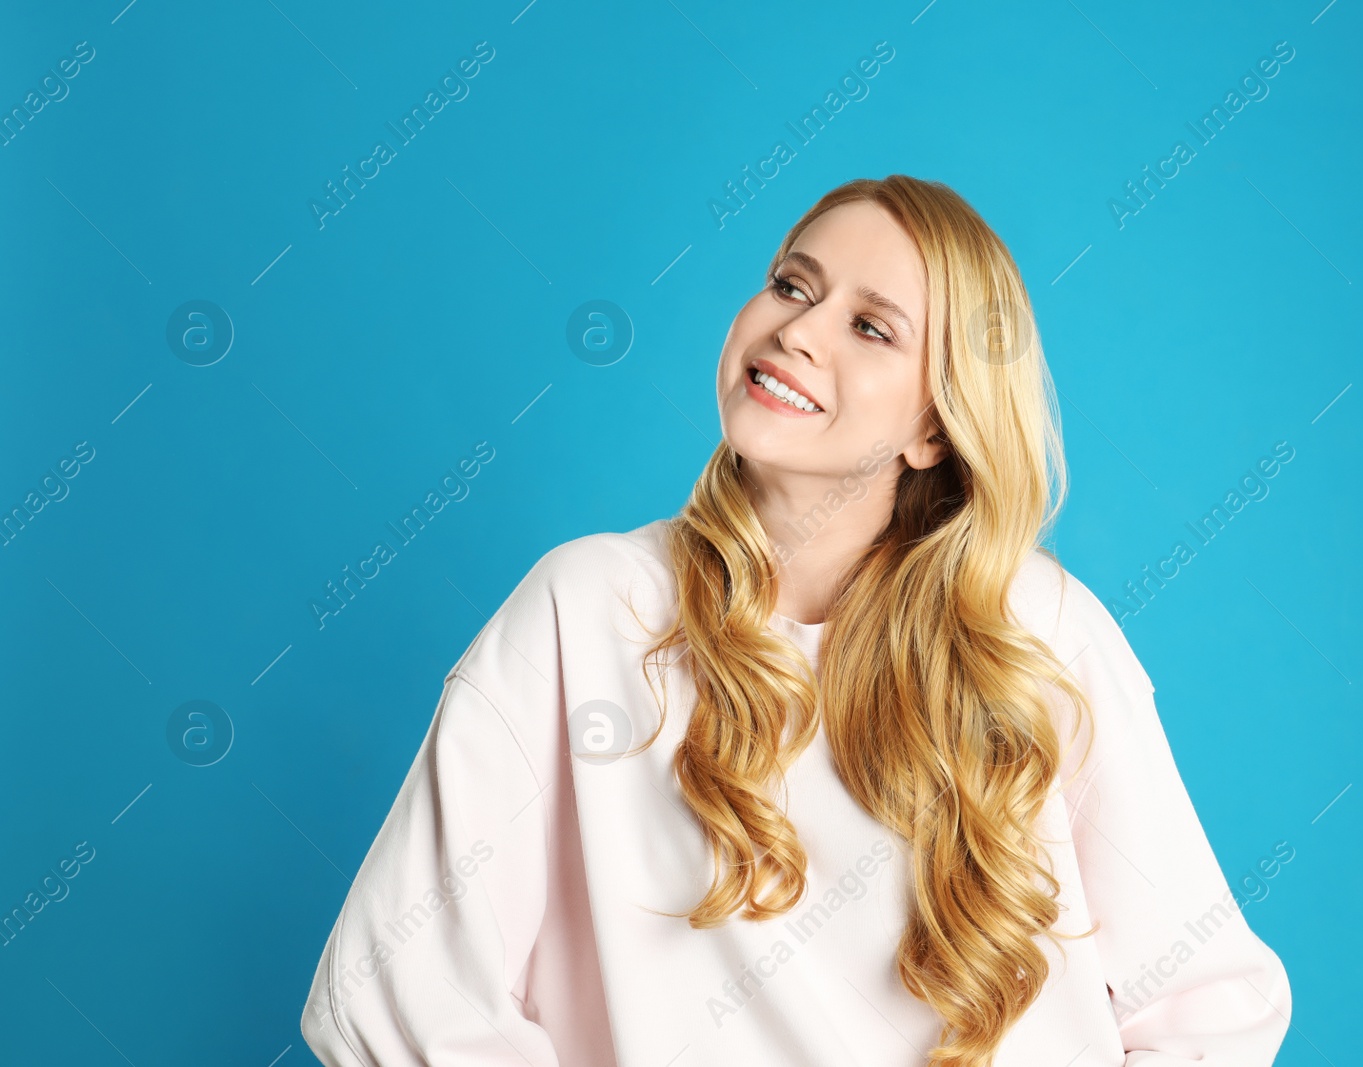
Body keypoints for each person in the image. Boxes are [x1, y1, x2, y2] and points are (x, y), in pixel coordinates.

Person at [299, 175, 1292, 1066]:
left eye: (872, 326)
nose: (798, 331)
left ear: (933, 426)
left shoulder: (1036, 631)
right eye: (791, 284)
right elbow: (388, 989)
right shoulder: (585, 610)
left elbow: (1209, 1003)